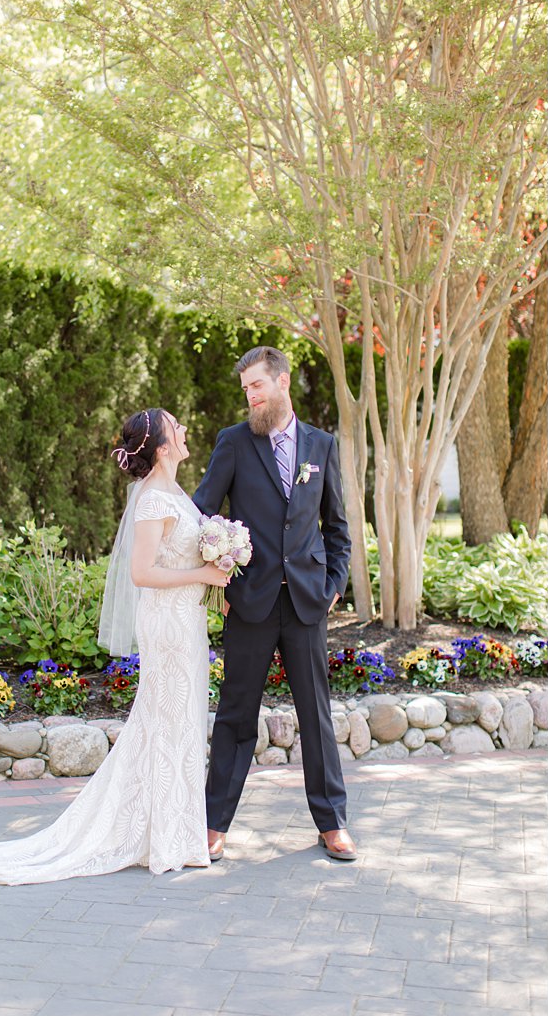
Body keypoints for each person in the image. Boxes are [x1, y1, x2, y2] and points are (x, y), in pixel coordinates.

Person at [0, 409, 229, 887]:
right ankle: (166, 837)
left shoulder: (174, 492)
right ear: (163, 448)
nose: (185, 430)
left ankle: (169, 831)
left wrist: (215, 565)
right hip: (166, 625)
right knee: (166, 719)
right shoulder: (151, 502)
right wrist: (203, 574)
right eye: (176, 427)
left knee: (176, 721)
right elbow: (142, 574)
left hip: (185, 621)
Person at [193, 346, 355, 863]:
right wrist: (218, 559)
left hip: (307, 602)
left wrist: (332, 583)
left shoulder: (321, 445)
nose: (251, 397)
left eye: (257, 387)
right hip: (251, 602)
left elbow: (338, 528)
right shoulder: (235, 444)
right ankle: (213, 823)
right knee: (236, 715)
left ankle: (332, 823)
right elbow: (202, 511)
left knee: (317, 716)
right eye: (246, 390)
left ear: (282, 383)